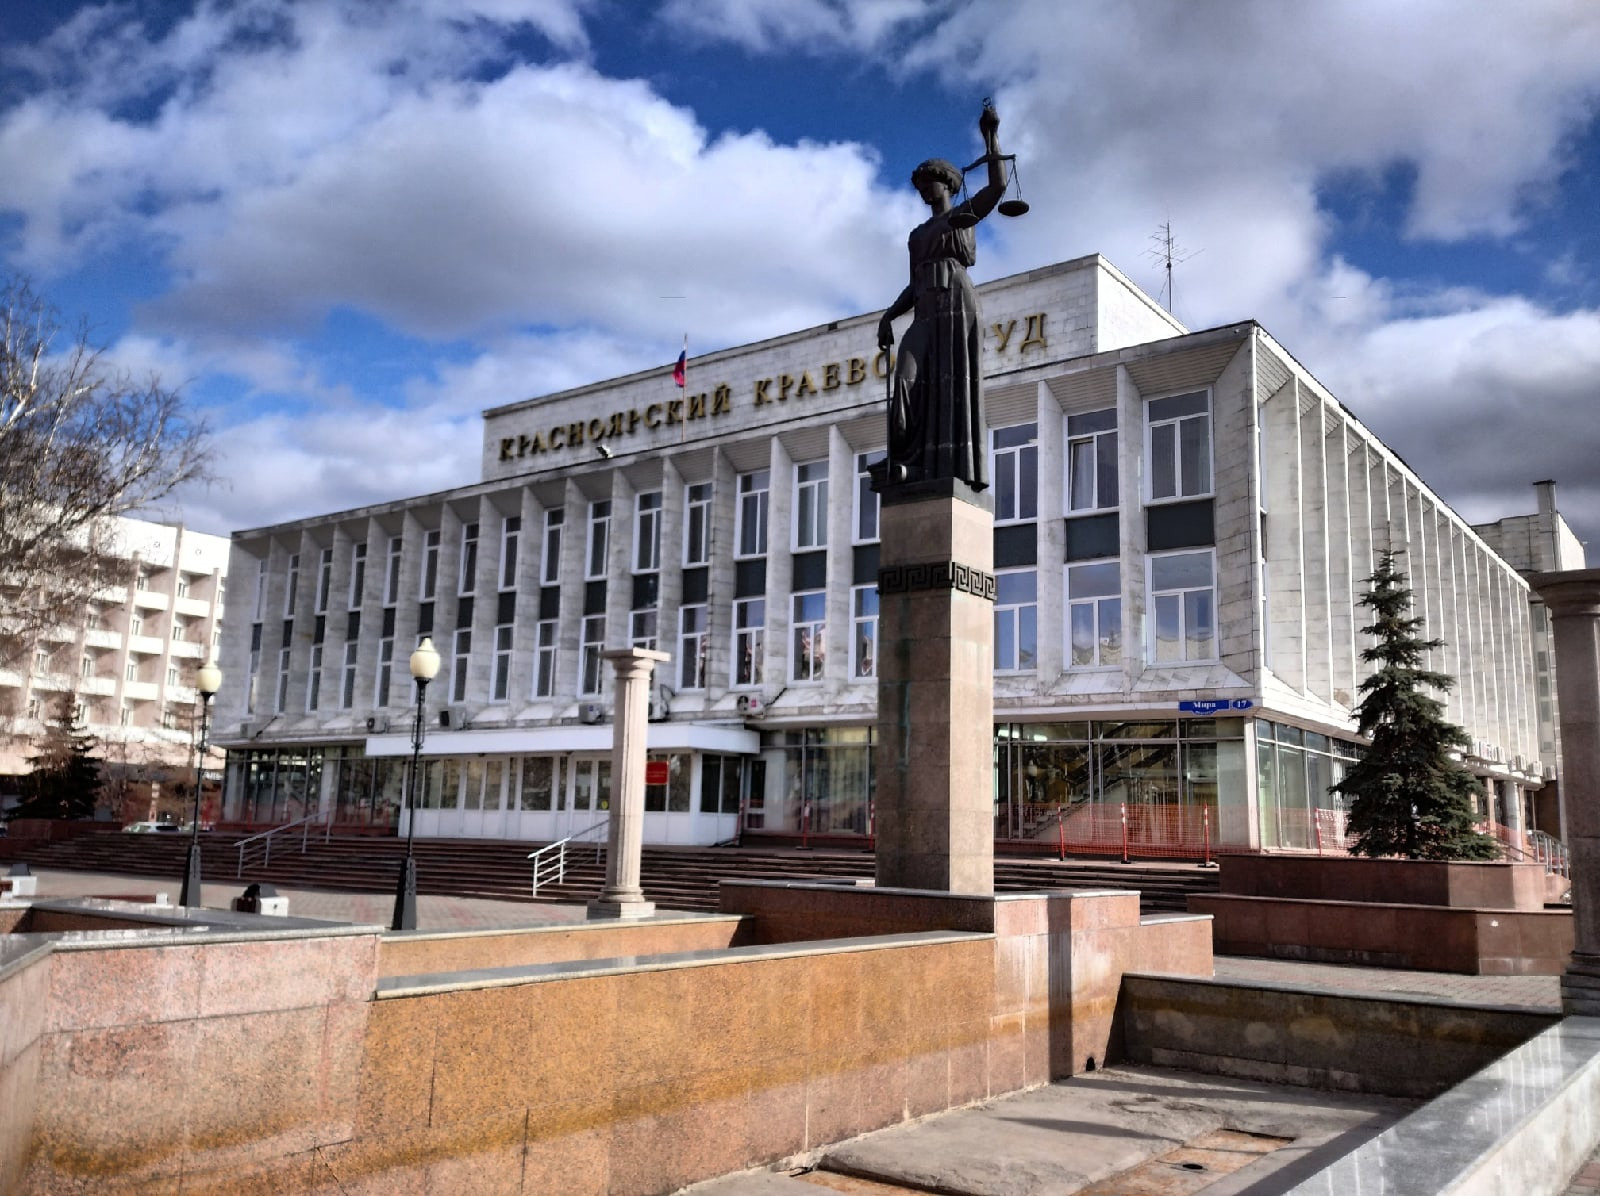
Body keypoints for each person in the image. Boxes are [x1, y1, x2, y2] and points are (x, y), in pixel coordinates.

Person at [876, 102, 1010, 490]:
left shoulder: (962, 215)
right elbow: (914, 284)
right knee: (905, 379)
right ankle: (906, 455)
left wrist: (991, 136)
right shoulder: (917, 236)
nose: (923, 192)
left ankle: (943, 464)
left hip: (955, 306)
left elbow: (998, 188)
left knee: (953, 386)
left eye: (928, 184)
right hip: (924, 313)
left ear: (947, 183)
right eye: (919, 188)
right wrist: (889, 316)